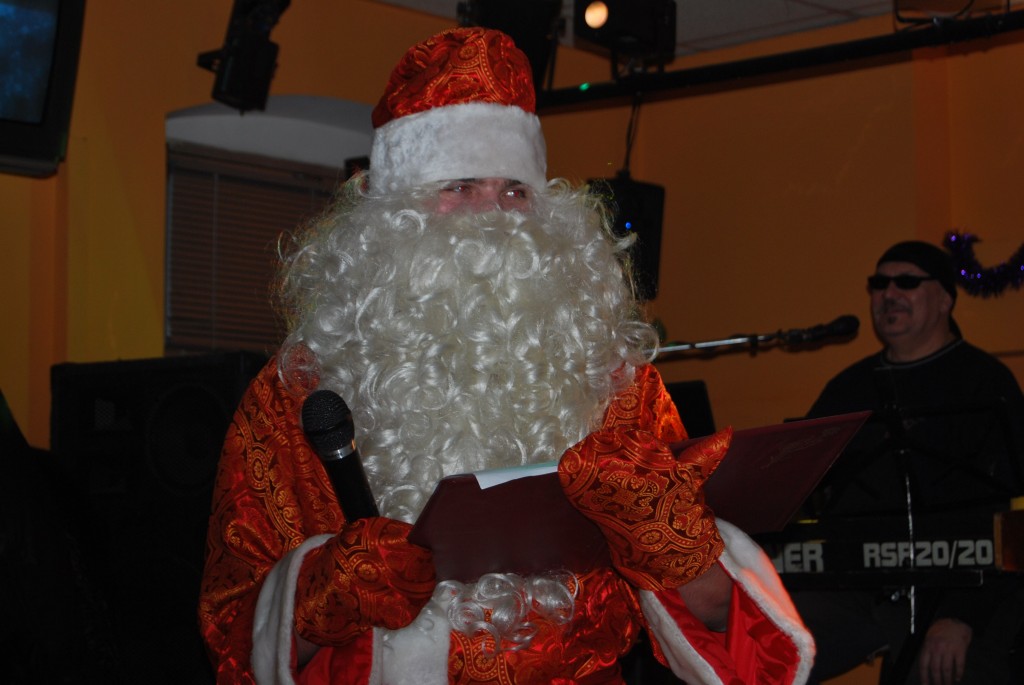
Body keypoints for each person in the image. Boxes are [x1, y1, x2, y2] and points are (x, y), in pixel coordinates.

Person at [198, 27, 813, 685]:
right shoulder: (298, 392)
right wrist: (326, 594)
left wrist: (674, 546)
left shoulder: (618, 386)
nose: (493, 215)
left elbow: (735, 637)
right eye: (460, 186)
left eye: (515, 191)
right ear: (392, 215)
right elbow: (233, 635)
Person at [794, 240, 1024, 685]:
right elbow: (802, 478)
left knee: (942, 669)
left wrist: (961, 615)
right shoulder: (849, 387)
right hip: (856, 579)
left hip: (958, 581)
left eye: (906, 282)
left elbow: (1011, 518)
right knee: (757, 643)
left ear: (945, 299)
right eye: (879, 284)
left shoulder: (985, 382)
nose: (889, 294)